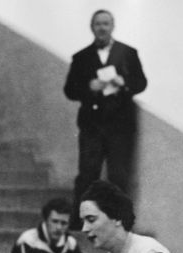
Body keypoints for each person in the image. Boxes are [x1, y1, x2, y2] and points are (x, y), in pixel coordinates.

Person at [63, 9, 147, 225]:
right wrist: (88, 87)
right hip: (92, 126)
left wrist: (124, 83)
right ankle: (79, 223)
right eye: (98, 24)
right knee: (87, 175)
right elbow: (70, 90)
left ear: (112, 26)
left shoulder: (128, 53)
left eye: (106, 24)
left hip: (120, 127)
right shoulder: (81, 57)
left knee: (119, 176)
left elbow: (141, 83)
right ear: (92, 27)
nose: (102, 28)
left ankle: (121, 223)